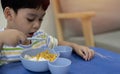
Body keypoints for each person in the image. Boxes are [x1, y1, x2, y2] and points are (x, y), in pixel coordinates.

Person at [0, 0, 94, 62]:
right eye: (30, 19)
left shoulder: (41, 37)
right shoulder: (2, 41)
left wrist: (75, 46)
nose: (37, 25)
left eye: (41, 19)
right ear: (9, 14)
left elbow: (59, 43)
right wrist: (2, 38)